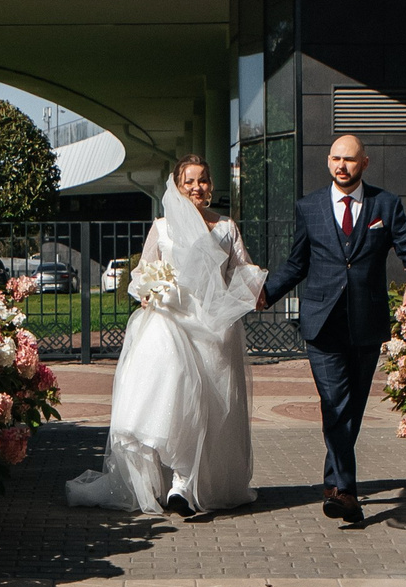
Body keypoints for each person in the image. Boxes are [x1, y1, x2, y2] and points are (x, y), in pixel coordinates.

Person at [64, 155, 264, 517]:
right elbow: (142, 270)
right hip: (169, 320)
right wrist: (145, 289)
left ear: (211, 185)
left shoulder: (225, 227)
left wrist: (257, 286)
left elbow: (243, 268)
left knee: (208, 406)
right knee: (171, 398)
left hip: (214, 329)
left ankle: (184, 487)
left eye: (203, 180)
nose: (196, 187)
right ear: (176, 186)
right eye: (189, 181)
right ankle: (166, 481)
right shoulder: (163, 226)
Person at [257, 135, 406, 523]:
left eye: (350, 160)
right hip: (322, 324)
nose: (342, 166)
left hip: (366, 324)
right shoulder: (310, 206)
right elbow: (297, 262)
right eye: (335, 158)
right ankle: (343, 491)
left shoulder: (386, 204)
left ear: (364, 163)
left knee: (350, 408)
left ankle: (335, 484)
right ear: (327, 161)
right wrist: (266, 293)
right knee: (334, 405)